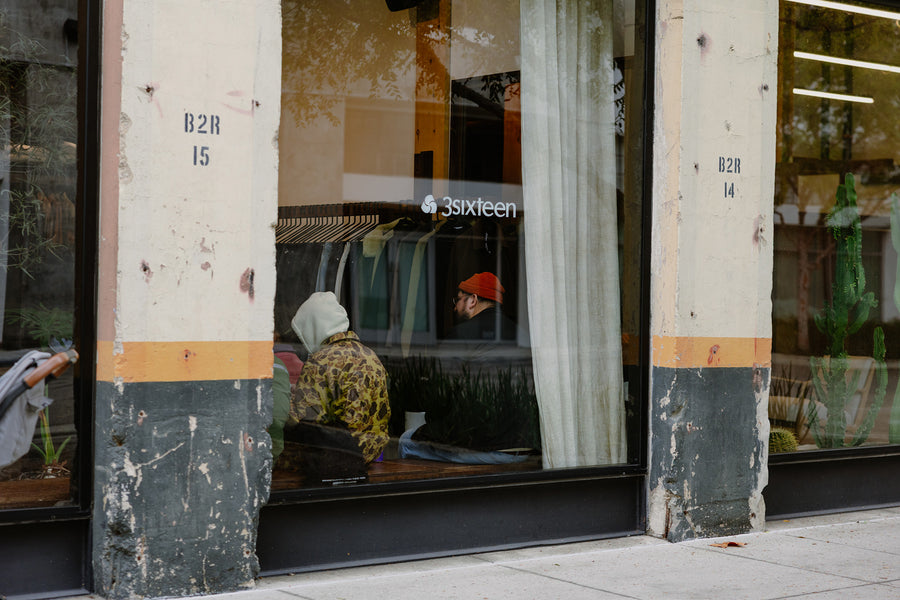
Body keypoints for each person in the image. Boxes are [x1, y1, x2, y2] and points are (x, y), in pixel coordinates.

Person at [279, 292, 390, 484]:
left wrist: (284, 401)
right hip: (369, 454)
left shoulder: (321, 361)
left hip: (337, 458)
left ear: (314, 328)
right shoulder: (370, 355)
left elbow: (303, 422)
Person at [446, 272, 516, 342]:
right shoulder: (517, 332)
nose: (455, 308)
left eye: (458, 299)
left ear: (473, 300)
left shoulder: (460, 335)